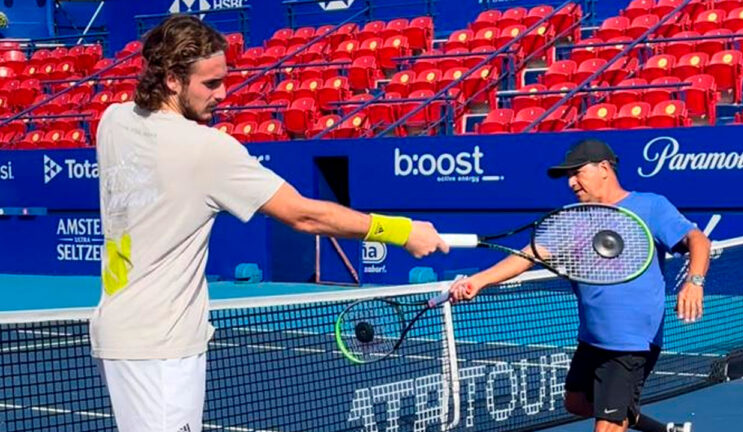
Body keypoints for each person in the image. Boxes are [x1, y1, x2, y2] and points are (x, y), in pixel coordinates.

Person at [90, 15, 448, 432]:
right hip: (160, 346)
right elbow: (305, 214)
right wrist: (403, 231)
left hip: (115, 333)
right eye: (210, 84)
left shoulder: (113, 122)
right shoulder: (209, 150)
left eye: (223, 80)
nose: (223, 94)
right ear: (172, 79)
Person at [450, 139, 711, 432]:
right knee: (576, 402)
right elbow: (528, 255)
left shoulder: (649, 205)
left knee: (608, 424)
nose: (572, 183)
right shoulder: (571, 218)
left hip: (630, 342)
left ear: (604, 169)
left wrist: (694, 281)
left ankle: (621, 413)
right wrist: (479, 280)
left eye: (578, 173)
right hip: (592, 338)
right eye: (568, 177)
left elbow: (697, 240)